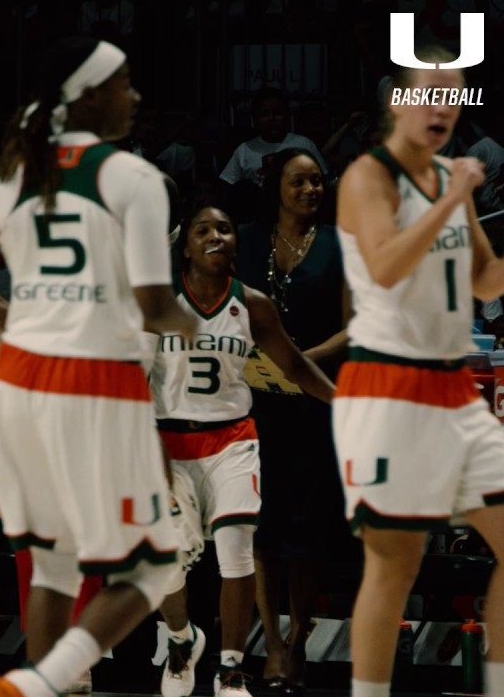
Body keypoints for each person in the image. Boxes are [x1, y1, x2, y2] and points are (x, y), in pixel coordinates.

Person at [0, 36, 198, 697]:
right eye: (125, 83)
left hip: (19, 384)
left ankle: (43, 685)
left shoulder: (8, 176)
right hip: (98, 383)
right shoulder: (133, 178)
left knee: (52, 566)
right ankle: (45, 680)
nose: (134, 97)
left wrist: (16, 320)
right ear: (89, 95)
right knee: (151, 566)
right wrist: (190, 324)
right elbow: (155, 302)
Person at [334, 46, 504, 697]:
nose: (443, 107)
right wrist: (451, 197)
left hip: (453, 389)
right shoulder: (367, 177)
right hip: (386, 387)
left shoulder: (451, 180)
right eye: (429, 93)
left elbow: (483, 282)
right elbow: (387, 266)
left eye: (453, 95)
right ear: (397, 101)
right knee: (394, 563)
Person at [149, 207, 334, 697]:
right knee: (164, 564)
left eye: (225, 229)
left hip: (232, 439)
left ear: (237, 243)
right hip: (165, 443)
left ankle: (231, 669)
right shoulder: (157, 304)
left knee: (236, 551)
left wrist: (346, 402)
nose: (216, 236)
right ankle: (182, 638)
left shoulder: (253, 305)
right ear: (185, 246)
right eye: (202, 229)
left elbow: (293, 364)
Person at [234, 147, 352, 694]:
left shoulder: (338, 245)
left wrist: (302, 361)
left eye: (317, 181)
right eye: (298, 181)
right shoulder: (246, 239)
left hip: (315, 399)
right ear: (274, 186)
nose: (310, 190)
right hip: (255, 399)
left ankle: (300, 638)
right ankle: (273, 645)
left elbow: (356, 326)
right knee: (263, 526)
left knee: (306, 529)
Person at [220, 88, 329, 188]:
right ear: (255, 119)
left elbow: (323, 179)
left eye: (277, 113)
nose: (271, 118)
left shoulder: (304, 144)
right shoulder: (244, 150)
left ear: (287, 115)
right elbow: (228, 186)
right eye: (264, 114)